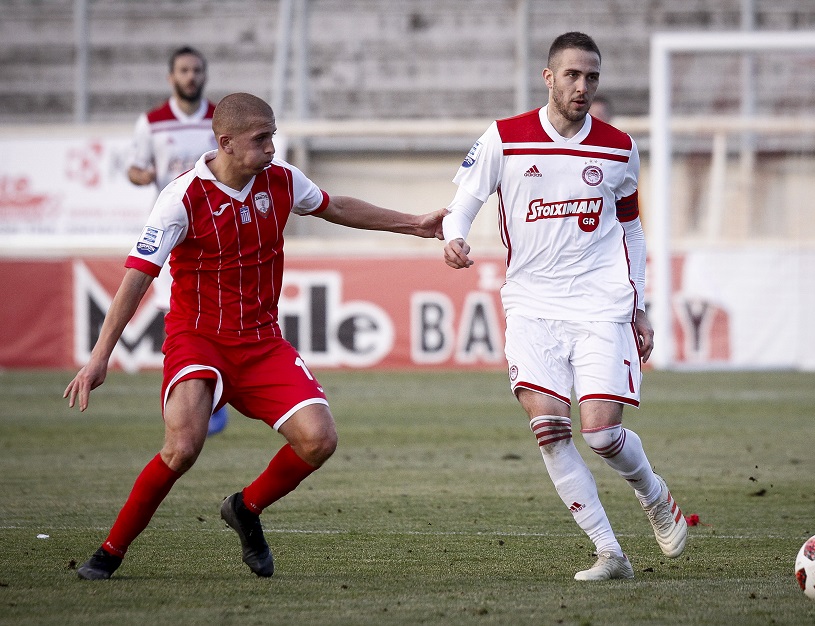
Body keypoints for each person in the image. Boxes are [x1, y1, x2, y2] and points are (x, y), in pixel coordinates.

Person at [66, 92, 445, 580]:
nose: (272, 146)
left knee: (319, 440)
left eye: (273, 135)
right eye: (261, 138)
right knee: (182, 447)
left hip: (262, 343)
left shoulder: (281, 179)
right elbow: (136, 278)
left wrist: (414, 224)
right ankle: (111, 551)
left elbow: (335, 206)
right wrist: (100, 357)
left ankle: (245, 507)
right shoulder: (181, 198)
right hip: (197, 338)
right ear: (225, 142)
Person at [442, 32, 687, 581]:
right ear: (548, 77)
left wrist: (638, 305)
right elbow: (465, 201)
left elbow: (631, 229)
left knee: (600, 434)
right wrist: (454, 236)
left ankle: (652, 493)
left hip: (601, 303)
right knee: (550, 429)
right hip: (531, 304)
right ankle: (609, 551)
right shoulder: (505, 138)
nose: (582, 86)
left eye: (592, 77)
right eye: (572, 75)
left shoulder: (619, 147)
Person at [127, 45, 229, 436]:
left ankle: (213, 397)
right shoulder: (152, 122)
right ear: (171, 77)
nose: (191, 76)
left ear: (204, 75)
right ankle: (193, 398)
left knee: (218, 312)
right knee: (184, 315)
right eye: (184, 70)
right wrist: (143, 175)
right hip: (174, 232)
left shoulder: (221, 119)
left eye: (196, 70)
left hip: (218, 230)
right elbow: (137, 168)